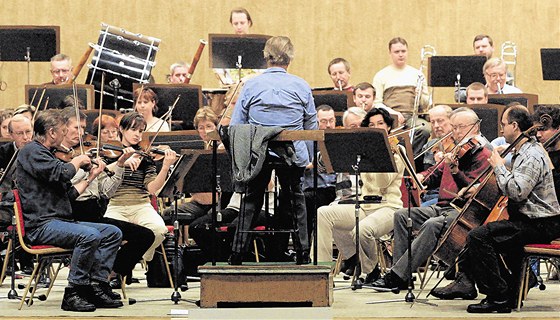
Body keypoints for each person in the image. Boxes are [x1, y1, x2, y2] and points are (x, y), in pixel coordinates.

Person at [431, 105, 560, 313]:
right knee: (487, 236)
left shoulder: (533, 155)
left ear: (515, 126)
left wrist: (498, 166)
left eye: (504, 125)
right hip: (529, 220)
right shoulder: (523, 151)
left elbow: (517, 192)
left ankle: (498, 297)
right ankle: (508, 292)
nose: (501, 130)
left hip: (541, 223)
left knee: (478, 237)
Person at [372, 108, 492, 291]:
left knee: (432, 225)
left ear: (475, 127)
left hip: (463, 212)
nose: (455, 132)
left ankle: (396, 276)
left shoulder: (483, 155)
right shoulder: (455, 152)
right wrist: (421, 176)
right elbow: (434, 173)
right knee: (402, 216)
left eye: (460, 127)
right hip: (442, 206)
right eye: (454, 127)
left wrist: (456, 171)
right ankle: (403, 276)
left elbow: (473, 191)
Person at [16, 109, 123, 311]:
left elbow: (70, 194)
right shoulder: (31, 151)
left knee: (112, 233)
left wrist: (91, 176)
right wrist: (78, 161)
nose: (66, 135)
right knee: (89, 236)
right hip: (41, 225)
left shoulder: (47, 155)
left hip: (60, 222)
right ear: (51, 132)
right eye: (63, 131)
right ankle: (74, 291)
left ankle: (96, 285)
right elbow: (62, 173)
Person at [229, 35, 318, 265]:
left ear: (265, 57)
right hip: (293, 153)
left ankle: (238, 252)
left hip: (259, 155)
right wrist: (306, 157)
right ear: (290, 58)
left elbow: (237, 125)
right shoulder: (301, 85)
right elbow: (311, 126)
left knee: (251, 200)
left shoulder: (251, 85)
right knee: (296, 198)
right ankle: (303, 253)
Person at [58, 107, 154, 288]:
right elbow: (66, 188)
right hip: (75, 215)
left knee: (144, 236)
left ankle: (108, 274)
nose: (82, 133)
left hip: (95, 213)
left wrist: (119, 165)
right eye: (76, 128)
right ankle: (96, 279)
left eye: (83, 128)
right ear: (63, 128)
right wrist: (84, 168)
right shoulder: (61, 158)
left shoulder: (91, 153)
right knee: (111, 234)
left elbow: (106, 192)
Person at [317, 108, 404, 283]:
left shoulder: (397, 149)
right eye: (371, 125)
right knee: (323, 213)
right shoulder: (362, 150)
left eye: (380, 123)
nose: (376, 127)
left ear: (388, 127)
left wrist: (381, 154)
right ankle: (323, 271)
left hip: (388, 206)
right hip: (365, 205)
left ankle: (371, 271)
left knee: (362, 230)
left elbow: (382, 183)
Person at [104, 112, 176, 263]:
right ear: (122, 129)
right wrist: (121, 162)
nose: (137, 135)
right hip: (115, 205)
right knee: (110, 234)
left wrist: (165, 167)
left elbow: (152, 189)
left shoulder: (145, 157)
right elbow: (100, 175)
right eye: (133, 129)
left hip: (141, 205)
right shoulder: (109, 153)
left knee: (159, 230)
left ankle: (140, 256)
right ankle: (120, 268)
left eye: (141, 131)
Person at [372, 37, 431, 158]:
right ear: (390, 53)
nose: (400, 55)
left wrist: (420, 95)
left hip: (412, 117)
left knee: (425, 130)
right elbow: (376, 103)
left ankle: (409, 160)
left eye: (403, 51)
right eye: (396, 52)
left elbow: (426, 105)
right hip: (390, 117)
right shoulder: (381, 75)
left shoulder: (418, 74)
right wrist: (393, 113)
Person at [303, 104, 337, 244]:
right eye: (323, 121)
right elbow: (303, 166)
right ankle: (307, 248)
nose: (328, 125)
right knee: (307, 200)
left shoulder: (340, 140)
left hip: (336, 188)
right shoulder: (307, 140)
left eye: (332, 120)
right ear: (315, 122)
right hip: (315, 188)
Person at [418, 105, 454, 206]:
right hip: (426, 195)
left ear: (451, 120)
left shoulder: (458, 145)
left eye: (440, 121)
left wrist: (443, 164)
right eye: (433, 122)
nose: (436, 125)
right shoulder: (430, 145)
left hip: (443, 197)